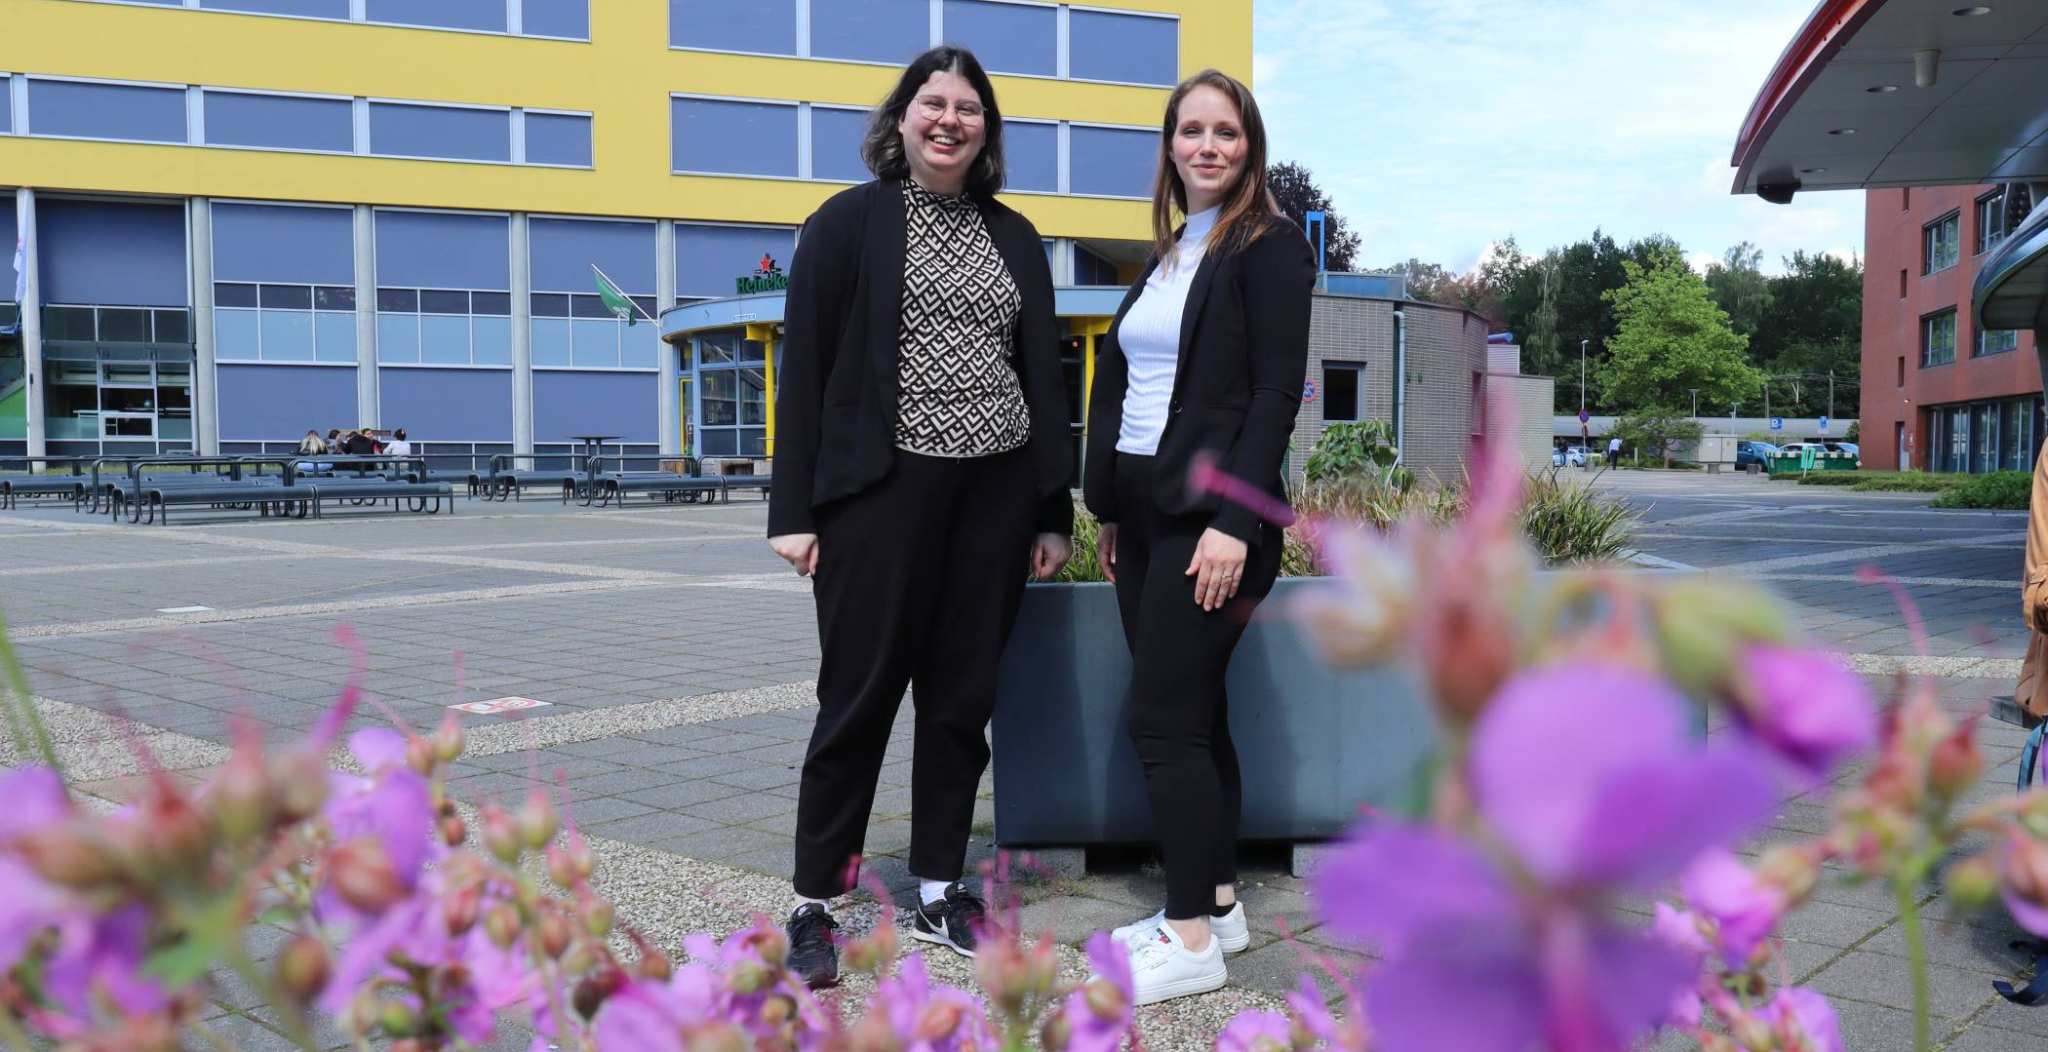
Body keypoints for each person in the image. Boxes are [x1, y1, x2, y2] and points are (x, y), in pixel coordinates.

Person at [765, 45, 1074, 988]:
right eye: (932, 103)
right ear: (900, 120)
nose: (949, 120)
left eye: (968, 107)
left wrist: (1049, 511)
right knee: (855, 699)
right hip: (878, 495)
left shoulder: (1015, 235)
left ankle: (940, 887)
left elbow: (1042, 375)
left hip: (993, 494)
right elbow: (806, 368)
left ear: (987, 130)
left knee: (959, 703)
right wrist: (796, 509)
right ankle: (817, 902)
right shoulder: (847, 223)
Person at [1080, 69, 1314, 1005]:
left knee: (1162, 722)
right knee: (1198, 713)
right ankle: (1216, 900)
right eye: (1191, 131)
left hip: (1211, 522)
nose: (1208, 146)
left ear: (1248, 145)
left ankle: (1186, 940)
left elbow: (1273, 397)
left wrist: (1232, 520)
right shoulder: (1176, 247)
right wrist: (1110, 512)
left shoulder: (1270, 248)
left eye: (1226, 131)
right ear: (1169, 146)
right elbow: (1136, 386)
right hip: (1143, 517)